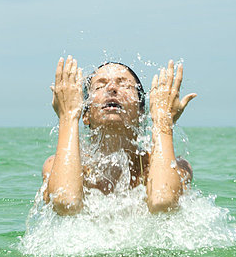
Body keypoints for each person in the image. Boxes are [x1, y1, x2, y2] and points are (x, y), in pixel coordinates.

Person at [42, 56, 197, 215]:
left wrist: (163, 121)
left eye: (125, 85)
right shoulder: (55, 165)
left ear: (141, 111)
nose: (112, 88)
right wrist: (68, 116)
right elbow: (65, 203)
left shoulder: (178, 168)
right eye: (99, 86)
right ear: (85, 114)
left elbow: (163, 203)